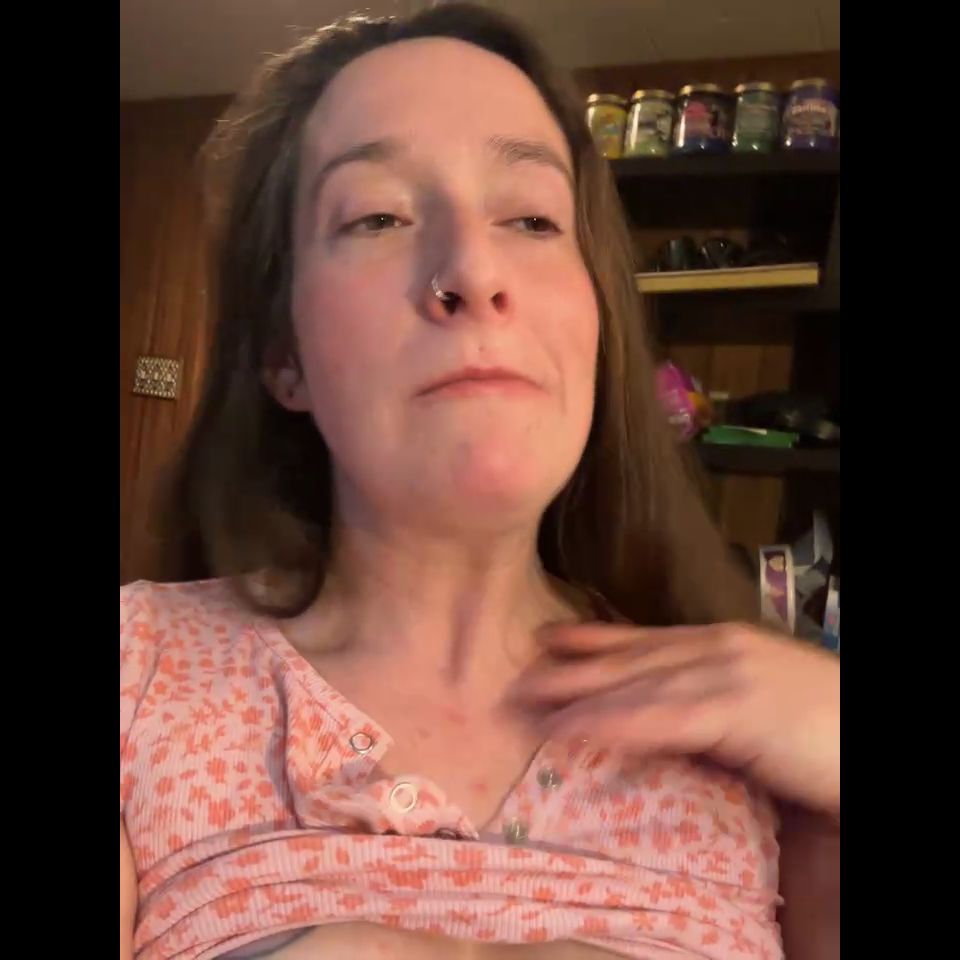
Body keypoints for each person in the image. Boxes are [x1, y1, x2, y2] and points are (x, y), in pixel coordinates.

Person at [120, 5, 840, 959]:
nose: (473, 268)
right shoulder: (137, 671)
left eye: (533, 218)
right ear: (283, 353)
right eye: (377, 217)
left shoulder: (778, 743)